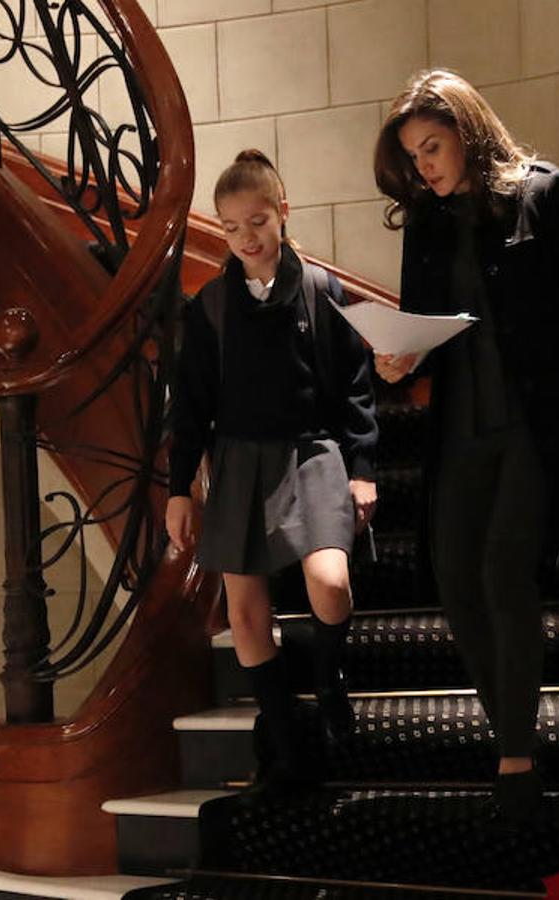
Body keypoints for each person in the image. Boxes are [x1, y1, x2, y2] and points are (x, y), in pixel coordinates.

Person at [371, 70, 559, 819]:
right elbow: (422, 326)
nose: (424, 165)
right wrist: (397, 359)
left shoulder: (542, 191)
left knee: (502, 576)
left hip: (536, 423)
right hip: (460, 427)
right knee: (455, 584)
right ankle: (513, 734)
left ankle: (516, 757)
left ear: (467, 130)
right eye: (413, 154)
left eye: (433, 146)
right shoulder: (427, 222)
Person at [166, 149, 379, 791]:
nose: (245, 238)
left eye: (256, 220)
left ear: (283, 213)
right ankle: (285, 741)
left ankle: (330, 678)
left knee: (330, 587)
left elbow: (355, 386)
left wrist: (362, 466)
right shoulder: (209, 306)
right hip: (236, 461)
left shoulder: (321, 289)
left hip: (312, 452)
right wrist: (180, 489)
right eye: (230, 227)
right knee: (248, 617)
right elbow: (192, 404)